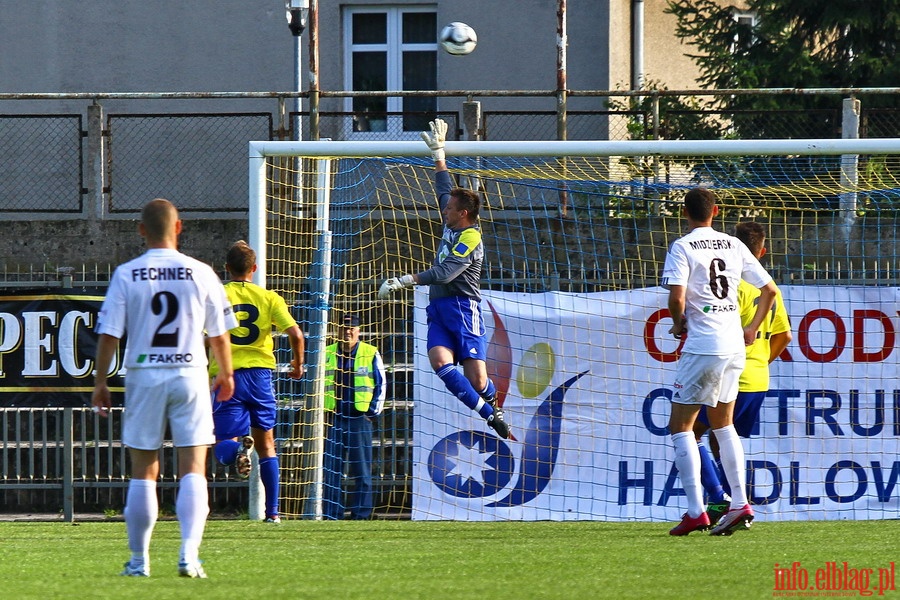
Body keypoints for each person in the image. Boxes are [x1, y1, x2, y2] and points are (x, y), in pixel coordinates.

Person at [91, 198, 237, 578]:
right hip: (189, 374)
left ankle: (139, 562)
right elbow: (219, 334)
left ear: (140, 230)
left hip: (144, 375)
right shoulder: (201, 271)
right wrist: (226, 373)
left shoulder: (127, 273)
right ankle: (189, 556)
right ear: (179, 227)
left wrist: (101, 381)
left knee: (144, 469)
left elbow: (109, 335)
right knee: (193, 467)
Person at [377, 118, 509, 440]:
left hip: (463, 308)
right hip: (438, 307)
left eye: (449, 208)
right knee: (439, 361)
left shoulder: (471, 239)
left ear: (463, 213)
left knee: (478, 381)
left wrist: (405, 280)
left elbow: (446, 272)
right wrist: (439, 155)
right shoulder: (453, 223)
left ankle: (491, 400)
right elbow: (443, 191)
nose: (443, 210)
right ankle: (490, 415)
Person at [661, 187, 778, 536]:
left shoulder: (682, 246)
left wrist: (678, 322)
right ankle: (740, 503)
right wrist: (752, 329)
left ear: (685, 212)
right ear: (716, 211)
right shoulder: (734, 244)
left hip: (703, 346)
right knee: (723, 426)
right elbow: (770, 290)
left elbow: (676, 297)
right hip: (734, 347)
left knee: (680, 427)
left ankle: (696, 510)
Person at [694, 221, 793, 526]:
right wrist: (762, 361)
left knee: (691, 432)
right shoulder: (768, 290)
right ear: (762, 252)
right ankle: (734, 507)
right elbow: (785, 337)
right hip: (758, 379)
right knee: (722, 439)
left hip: (730, 373)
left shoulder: (730, 284)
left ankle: (720, 497)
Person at [208, 240, 305, 524]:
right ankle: (273, 513)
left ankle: (239, 450)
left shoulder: (218, 296)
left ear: (226, 269)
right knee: (268, 445)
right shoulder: (269, 297)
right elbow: (297, 335)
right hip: (261, 375)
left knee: (222, 443)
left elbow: (206, 337)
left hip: (230, 375)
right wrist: (298, 365)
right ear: (255, 268)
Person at [322, 314, 386, 520]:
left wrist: (372, 413)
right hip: (334, 419)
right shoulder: (326, 353)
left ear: (358, 331)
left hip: (359, 419)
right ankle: (332, 514)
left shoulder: (370, 352)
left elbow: (381, 384)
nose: (347, 331)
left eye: (351, 328)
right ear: (337, 331)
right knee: (332, 471)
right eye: (343, 328)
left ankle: (361, 514)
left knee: (362, 471)